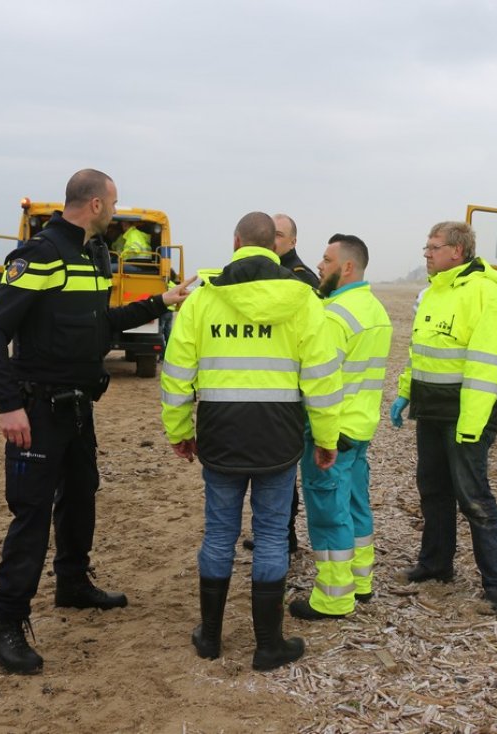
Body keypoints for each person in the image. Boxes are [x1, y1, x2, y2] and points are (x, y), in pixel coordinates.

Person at [0, 169, 195, 675]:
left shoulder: (94, 258)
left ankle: (72, 584)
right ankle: (5, 623)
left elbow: (104, 322)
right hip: (35, 410)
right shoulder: (40, 255)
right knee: (31, 514)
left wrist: (161, 301)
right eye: (114, 203)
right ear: (95, 204)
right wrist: (7, 405)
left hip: (78, 407)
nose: (117, 212)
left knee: (80, 496)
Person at [161, 212, 342, 671]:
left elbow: (178, 373)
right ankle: (268, 644)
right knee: (269, 537)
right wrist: (326, 437)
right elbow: (321, 377)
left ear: (236, 241)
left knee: (220, 533)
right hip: (277, 438)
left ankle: (211, 637)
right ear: (273, 246)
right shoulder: (303, 298)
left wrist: (180, 431)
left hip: (220, 435)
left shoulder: (203, 298)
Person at [389, 221, 497, 614]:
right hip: (432, 410)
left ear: (457, 251)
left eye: (433, 247)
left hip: (465, 417)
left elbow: (487, 367)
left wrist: (472, 425)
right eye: (426, 247)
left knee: (474, 498)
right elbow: (420, 352)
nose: (426, 253)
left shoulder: (485, 295)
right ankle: (436, 564)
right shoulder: (432, 294)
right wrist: (405, 393)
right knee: (433, 490)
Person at [289, 234, 393, 620]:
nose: (319, 265)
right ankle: (360, 582)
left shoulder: (334, 316)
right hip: (361, 427)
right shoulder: (374, 309)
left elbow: (321, 384)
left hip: (332, 432)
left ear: (347, 267)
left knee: (329, 513)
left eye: (327, 259)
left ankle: (334, 596)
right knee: (355, 505)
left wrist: (321, 437)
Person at [241, 212, 319, 555]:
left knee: (282, 473)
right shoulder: (259, 272)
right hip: (262, 387)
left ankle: (283, 536)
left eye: (280, 234)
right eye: (269, 233)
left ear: (293, 241)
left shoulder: (300, 277)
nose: (273, 239)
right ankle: (275, 534)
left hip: (288, 391)